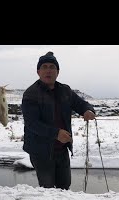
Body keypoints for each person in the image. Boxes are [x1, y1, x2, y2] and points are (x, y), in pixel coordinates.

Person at [21, 51, 96, 190]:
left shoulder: (65, 90)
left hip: (62, 149)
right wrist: (56, 133)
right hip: (41, 152)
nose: (48, 70)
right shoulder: (31, 93)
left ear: (58, 71)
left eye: (52, 67)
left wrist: (88, 110)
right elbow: (32, 124)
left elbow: (81, 104)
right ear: (38, 71)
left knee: (64, 187)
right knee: (48, 189)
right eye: (44, 67)